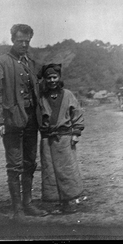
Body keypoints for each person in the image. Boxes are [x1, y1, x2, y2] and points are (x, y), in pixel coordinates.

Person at [0, 24, 47, 219]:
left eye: (27, 41)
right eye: (20, 40)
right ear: (12, 39)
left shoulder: (30, 62)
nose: (23, 44)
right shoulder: (1, 62)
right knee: (14, 165)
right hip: (11, 121)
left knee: (30, 163)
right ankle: (17, 209)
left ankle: (28, 204)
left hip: (31, 121)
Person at [38, 64, 85, 214]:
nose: (52, 80)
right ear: (45, 79)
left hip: (64, 138)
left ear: (59, 78)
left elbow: (77, 113)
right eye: (49, 78)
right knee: (50, 171)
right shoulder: (41, 97)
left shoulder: (68, 95)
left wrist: (76, 133)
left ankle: (69, 202)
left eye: (54, 77)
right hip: (47, 139)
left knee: (66, 170)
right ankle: (58, 201)